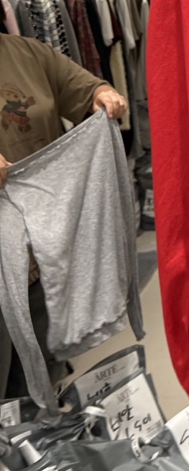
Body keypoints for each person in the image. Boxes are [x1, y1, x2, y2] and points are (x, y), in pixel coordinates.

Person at [0, 31, 127, 396]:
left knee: (42, 375)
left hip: (41, 249)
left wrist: (103, 95)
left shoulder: (27, 53)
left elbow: (85, 89)